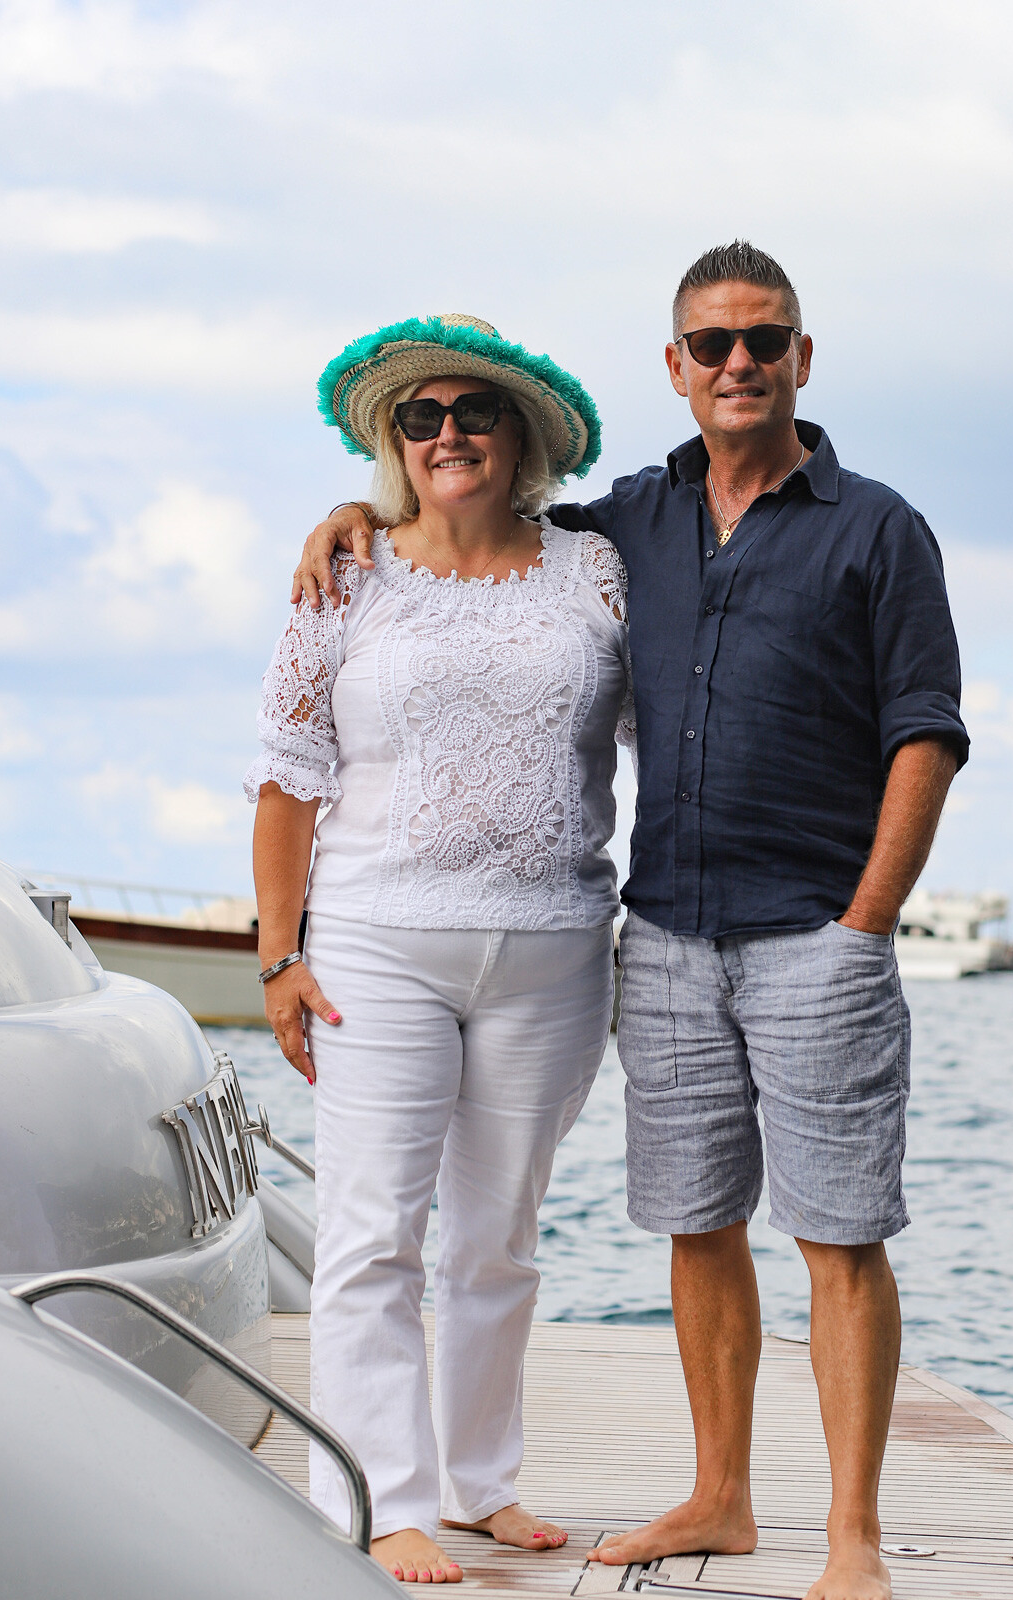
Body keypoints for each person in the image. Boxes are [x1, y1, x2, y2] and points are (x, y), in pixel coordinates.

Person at [291, 243, 969, 1600]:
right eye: (712, 344)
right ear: (675, 365)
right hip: (660, 935)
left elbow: (926, 733)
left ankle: (852, 1539)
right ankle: (721, 1496)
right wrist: (352, 513)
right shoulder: (624, 529)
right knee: (697, 1225)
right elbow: (473, 518)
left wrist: (866, 922)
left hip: (816, 932)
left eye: (763, 341)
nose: (738, 363)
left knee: (840, 1237)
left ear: (801, 358)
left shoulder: (877, 527)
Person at [247, 313, 634, 1584]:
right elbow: (287, 780)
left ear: (520, 435)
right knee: (370, 1235)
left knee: (495, 1238)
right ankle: (380, 1498)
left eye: (475, 410)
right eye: (422, 415)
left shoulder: (595, 570)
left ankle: (477, 1482)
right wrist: (278, 957)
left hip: (554, 951)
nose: (448, 433)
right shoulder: (343, 575)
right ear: (393, 439)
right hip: (377, 947)